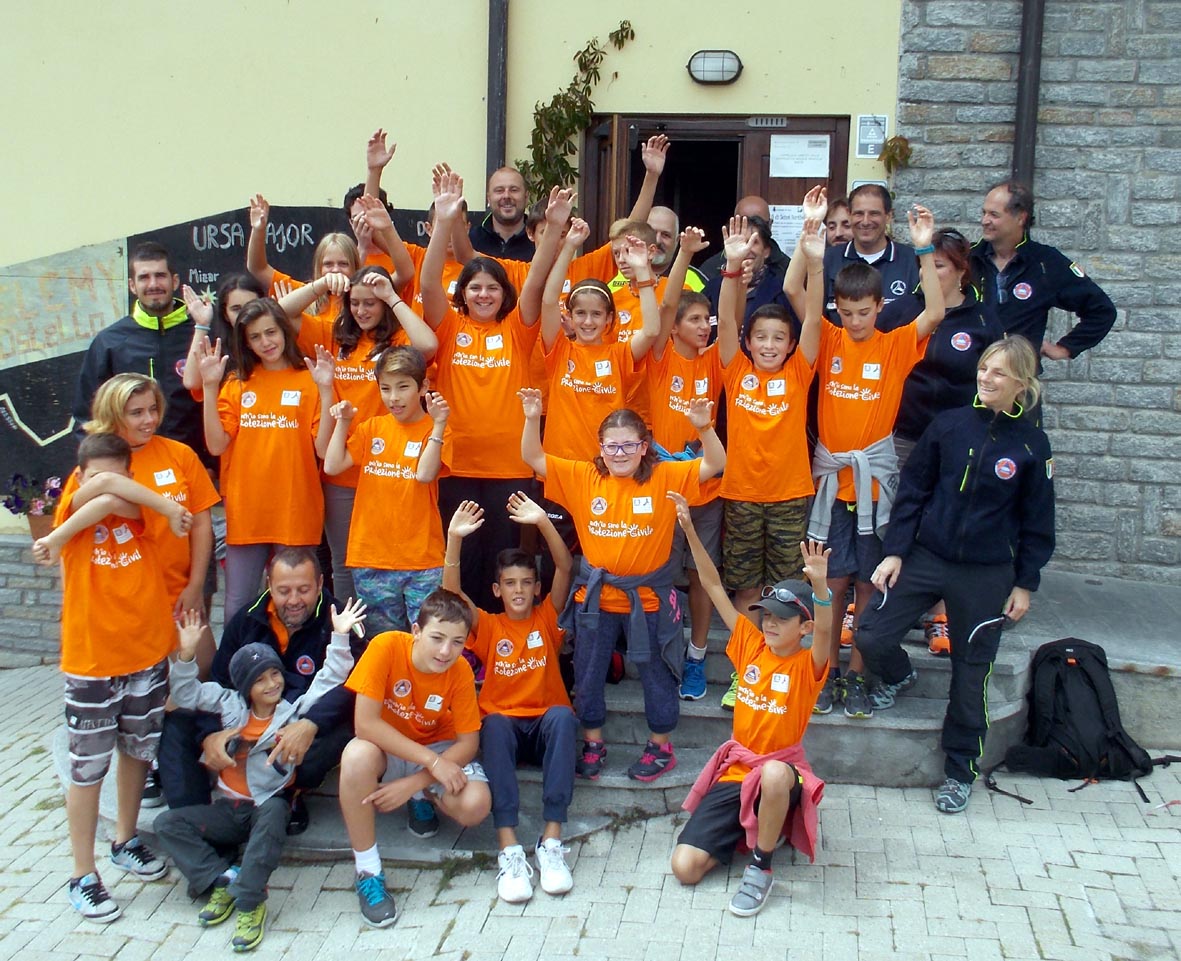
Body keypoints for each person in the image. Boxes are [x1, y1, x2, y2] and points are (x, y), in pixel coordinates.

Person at [856, 336, 1055, 814]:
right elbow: (913, 493)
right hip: (926, 557)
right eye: (985, 368)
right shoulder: (948, 425)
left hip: (986, 574)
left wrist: (1025, 582)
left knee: (971, 671)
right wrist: (896, 552)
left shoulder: (1032, 444)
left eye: (999, 373)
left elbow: (1038, 521)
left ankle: (959, 771)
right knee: (870, 635)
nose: (986, 377)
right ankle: (897, 676)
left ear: (1021, 384)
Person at [520, 389, 726, 782]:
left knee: (657, 673)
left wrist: (704, 426)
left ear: (644, 446)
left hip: (649, 600)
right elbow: (533, 458)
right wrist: (533, 417)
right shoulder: (584, 476)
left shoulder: (666, 475)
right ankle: (594, 742)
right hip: (596, 601)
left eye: (629, 445)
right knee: (588, 671)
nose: (619, 453)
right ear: (600, 447)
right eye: (612, 446)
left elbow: (715, 463)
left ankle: (660, 746)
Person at [31, 433, 193, 924]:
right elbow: (98, 494)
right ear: (78, 478)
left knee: (138, 751)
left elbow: (116, 499)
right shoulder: (70, 513)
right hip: (92, 660)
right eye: (94, 476)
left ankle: (125, 840)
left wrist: (147, 499)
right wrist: (60, 535)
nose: (104, 485)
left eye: (117, 476)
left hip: (145, 652)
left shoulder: (136, 511)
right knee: (86, 768)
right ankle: (83, 873)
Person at [154, 599, 362, 951]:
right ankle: (220, 879)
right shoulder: (226, 704)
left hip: (266, 807)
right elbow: (187, 694)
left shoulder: (292, 713)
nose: (271, 684)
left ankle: (250, 902)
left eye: (275, 674)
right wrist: (186, 656)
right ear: (243, 686)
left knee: (276, 812)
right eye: (260, 679)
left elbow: (329, 678)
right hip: (228, 810)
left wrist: (339, 636)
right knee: (166, 825)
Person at [806, 204, 945, 719]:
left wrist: (925, 249)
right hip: (830, 487)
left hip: (874, 489)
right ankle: (824, 675)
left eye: (864, 312)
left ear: (880, 306)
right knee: (831, 583)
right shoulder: (830, 339)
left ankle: (858, 678)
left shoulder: (894, 344)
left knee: (867, 584)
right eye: (846, 311)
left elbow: (933, 312)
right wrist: (811, 246)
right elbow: (801, 298)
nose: (855, 320)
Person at [669, 504, 833, 920]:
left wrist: (820, 589)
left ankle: (761, 865)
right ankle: (754, 831)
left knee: (775, 773)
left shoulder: (808, 664)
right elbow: (712, 585)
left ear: (804, 627)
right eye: (766, 615)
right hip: (738, 772)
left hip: (780, 773)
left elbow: (828, 629)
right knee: (684, 868)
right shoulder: (750, 644)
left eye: (782, 618)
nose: (770, 624)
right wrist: (689, 529)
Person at [422, 172, 561, 611]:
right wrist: (445, 220)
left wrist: (554, 228)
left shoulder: (518, 332)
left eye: (492, 287)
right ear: (463, 292)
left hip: (509, 469)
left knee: (503, 562)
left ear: (505, 294)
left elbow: (537, 282)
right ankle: (462, 641)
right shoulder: (449, 327)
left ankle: (497, 641)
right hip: (457, 463)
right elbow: (427, 286)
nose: (483, 294)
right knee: (462, 558)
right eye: (474, 287)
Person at [157, 548, 362, 836]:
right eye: (283, 591)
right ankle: (195, 822)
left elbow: (353, 685)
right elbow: (220, 680)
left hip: (300, 723)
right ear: (269, 586)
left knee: (342, 734)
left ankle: (285, 797)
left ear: (320, 584)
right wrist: (209, 736)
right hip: (244, 722)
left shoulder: (340, 621)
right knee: (177, 723)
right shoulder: (248, 620)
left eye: (304, 590)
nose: (294, 600)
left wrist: (310, 723)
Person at [444, 494, 578, 904]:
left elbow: (567, 566)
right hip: (506, 734)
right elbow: (451, 597)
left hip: (544, 732)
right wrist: (454, 540)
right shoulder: (487, 625)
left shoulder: (547, 616)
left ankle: (551, 843)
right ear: (496, 590)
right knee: (496, 722)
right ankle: (509, 849)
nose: (518, 590)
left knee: (562, 717)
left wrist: (542, 523)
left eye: (525, 582)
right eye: (510, 584)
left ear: (537, 587)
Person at [713, 216, 825, 708]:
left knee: (785, 590)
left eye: (779, 338)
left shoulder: (801, 371)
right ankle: (747, 671)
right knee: (744, 589)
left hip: (788, 497)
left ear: (790, 344)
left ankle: (784, 673)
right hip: (739, 495)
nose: (770, 345)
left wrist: (816, 264)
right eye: (762, 338)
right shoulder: (734, 370)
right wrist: (733, 268)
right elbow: (728, 318)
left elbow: (817, 321)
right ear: (748, 341)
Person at [279, 265, 439, 607]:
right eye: (355, 303)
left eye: (371, 303)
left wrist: (392, 295)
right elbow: (279, 313)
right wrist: (322, 284)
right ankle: (349, 637)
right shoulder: (331, 336)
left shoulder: (397, 342)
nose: (362, 310)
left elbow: (428, 344)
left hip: (389, 469)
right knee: (344, 563)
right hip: (342, 464)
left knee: (383, 565)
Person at [882, 229, 1004, 658]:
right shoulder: (901, 311)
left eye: (939, 266)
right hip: (902, 434)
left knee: (942, 519)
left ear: (961, 271)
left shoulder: (983, 319)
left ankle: (939, 613)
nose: (929, 272)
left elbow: (1002, 382)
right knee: (893, 515)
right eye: (924, 264)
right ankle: (886, 598)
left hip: (957, 440)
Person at [339, 589, 492, 928]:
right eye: (437, 637)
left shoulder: (462, 671)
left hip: (436, 749)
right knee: (355, 756)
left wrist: (417, 781)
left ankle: (421, 797)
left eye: (456, 642)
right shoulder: (385, 647)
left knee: (476, 804)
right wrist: (433, 764)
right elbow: (364, 723)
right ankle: (368, 870)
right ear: (416, 630)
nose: (445, 651)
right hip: (390, 748)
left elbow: (469, 742)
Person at [196, 299, 334, 619]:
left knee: (297, 603)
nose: (266, 342)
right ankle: (238, 668)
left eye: (271, 332)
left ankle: (297, 666)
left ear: (284, 330)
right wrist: (209, 385)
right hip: (248, 510)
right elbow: (216, 446)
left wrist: (326, 392)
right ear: (245, 342)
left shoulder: (309, 379)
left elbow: (325, 450)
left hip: (296, 507)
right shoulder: (237, 383)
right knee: (238, 604)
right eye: (255, 337)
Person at [77, 374, 220, 670]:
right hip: (125, 605)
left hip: (178, 595)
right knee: (149, 696)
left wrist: (195, 586)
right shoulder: (97, 464)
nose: (149, 419)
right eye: (137, 412)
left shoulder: (179, 454)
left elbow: (201, 524)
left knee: (202, 675)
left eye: (153, 409)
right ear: (113, 414)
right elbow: (72, 524)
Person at [323, 346, 450, 634]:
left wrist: (440, 426)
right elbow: (332, 465)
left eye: (403, 387)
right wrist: (343, 422)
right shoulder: (372, 428)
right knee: (382, 642)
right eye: (385, 388)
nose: (393, 397)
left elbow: (424, 474)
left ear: (423, 387)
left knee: (427, 638)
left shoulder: (436, 429)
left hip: (421, 559)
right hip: (371, 557)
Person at [645, 286, 726, 701]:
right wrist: (686, 256)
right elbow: (661, 307)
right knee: (658, 574)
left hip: (706, 491)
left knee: (701, 576)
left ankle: (696, 655)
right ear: (674, 327)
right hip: (662, 489)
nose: (703, 327)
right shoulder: (660, 360)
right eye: (694, 319)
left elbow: (729, 322)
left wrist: (732, 273)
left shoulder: (714, 361)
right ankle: (662, 652)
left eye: (705, 320)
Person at [73, 241, 208, 463]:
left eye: (160, 275)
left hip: (194, 466)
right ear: (132, 286)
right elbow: (87, 416)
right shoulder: (109, 342)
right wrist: (106, 465)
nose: (153, 284)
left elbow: (221, 402)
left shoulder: (201, 332)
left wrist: (211, 463)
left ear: (174, 281)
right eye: (144, 277)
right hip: (131, 467)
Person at [971, 179, 1116, 366]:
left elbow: (1102, 310)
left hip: (1019, 380)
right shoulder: (966, 259)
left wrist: (1066, 347)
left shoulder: (1045, 263)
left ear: (1020, 217)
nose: (985, 221)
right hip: (968, 378)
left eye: (994, 214)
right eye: (984, 213)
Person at [822, 184, 919, 319]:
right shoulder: (829, 259)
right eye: (859, 214)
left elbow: (929, 313)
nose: (865, 221)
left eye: (874, 213)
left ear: (888, 216)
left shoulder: (911, 260)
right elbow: (813, 316)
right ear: (850, 215)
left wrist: (925, 246)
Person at [699, 195, 790, 280]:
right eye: (743, 224)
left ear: (770, 225)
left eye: (758, 224)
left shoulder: (787, 269)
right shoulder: (711, 269)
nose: (750, 229)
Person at [469, 166, 534, 261]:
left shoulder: (540, 242)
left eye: (514, 190)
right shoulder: (472, 240)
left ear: (526, 197)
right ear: (488, 198)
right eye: (499, 190)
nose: (506, 196)